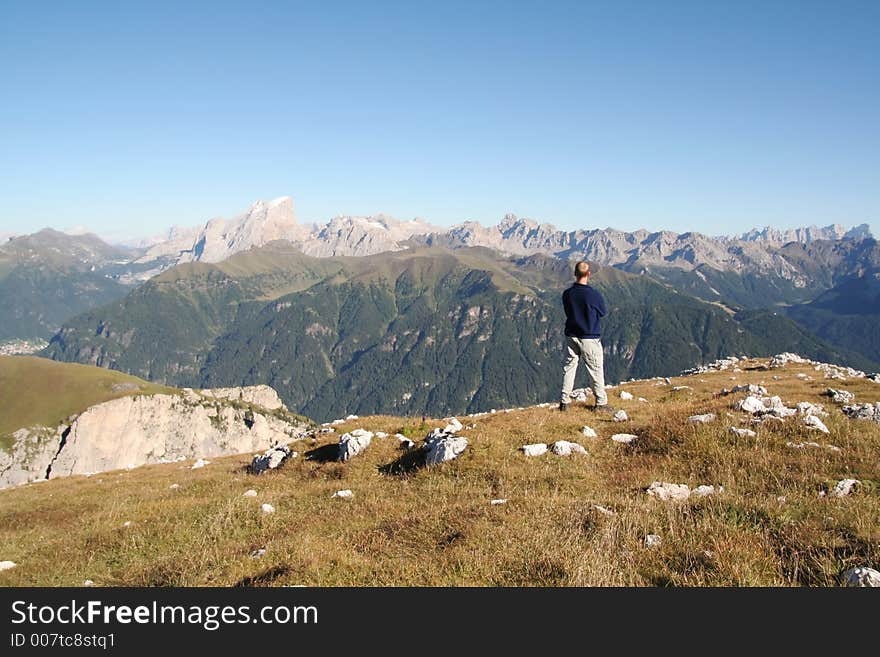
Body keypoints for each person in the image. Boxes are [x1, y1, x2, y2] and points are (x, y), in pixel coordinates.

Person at [560, 261, 610, 412]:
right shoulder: (593, 295)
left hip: (571, 335)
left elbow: (568, 311)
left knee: (569, 368)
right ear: (589, 274)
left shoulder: (567, 294)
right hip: (589, 336)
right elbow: (603, 312)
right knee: (595, 369)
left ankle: (564, 402)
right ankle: (600, 404)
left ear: (575, 274)